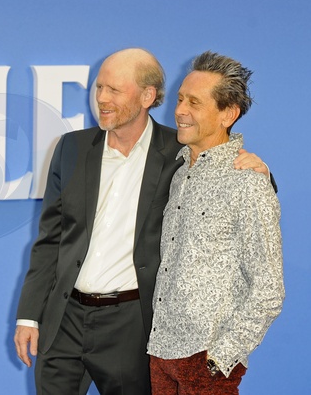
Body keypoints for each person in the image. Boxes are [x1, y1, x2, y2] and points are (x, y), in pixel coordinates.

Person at [14, 48, 272, 395]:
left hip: (131, 325)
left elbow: (226, 173)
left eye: (114, 90)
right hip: (64, 320)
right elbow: (50, 239)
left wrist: (263, 172)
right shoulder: (71, 148)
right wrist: (29, 315)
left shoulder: (179, 152)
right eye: (99, 87)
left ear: (148, 96)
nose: (101, 98)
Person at [147, 51, 284, 394]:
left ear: (228, 114)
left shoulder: (248, 181)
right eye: (180, 99)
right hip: (161, 353)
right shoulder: (180, 175)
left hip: (206, 360)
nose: (180, 110)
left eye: (194, 102)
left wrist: (221, 358)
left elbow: (269, 289)